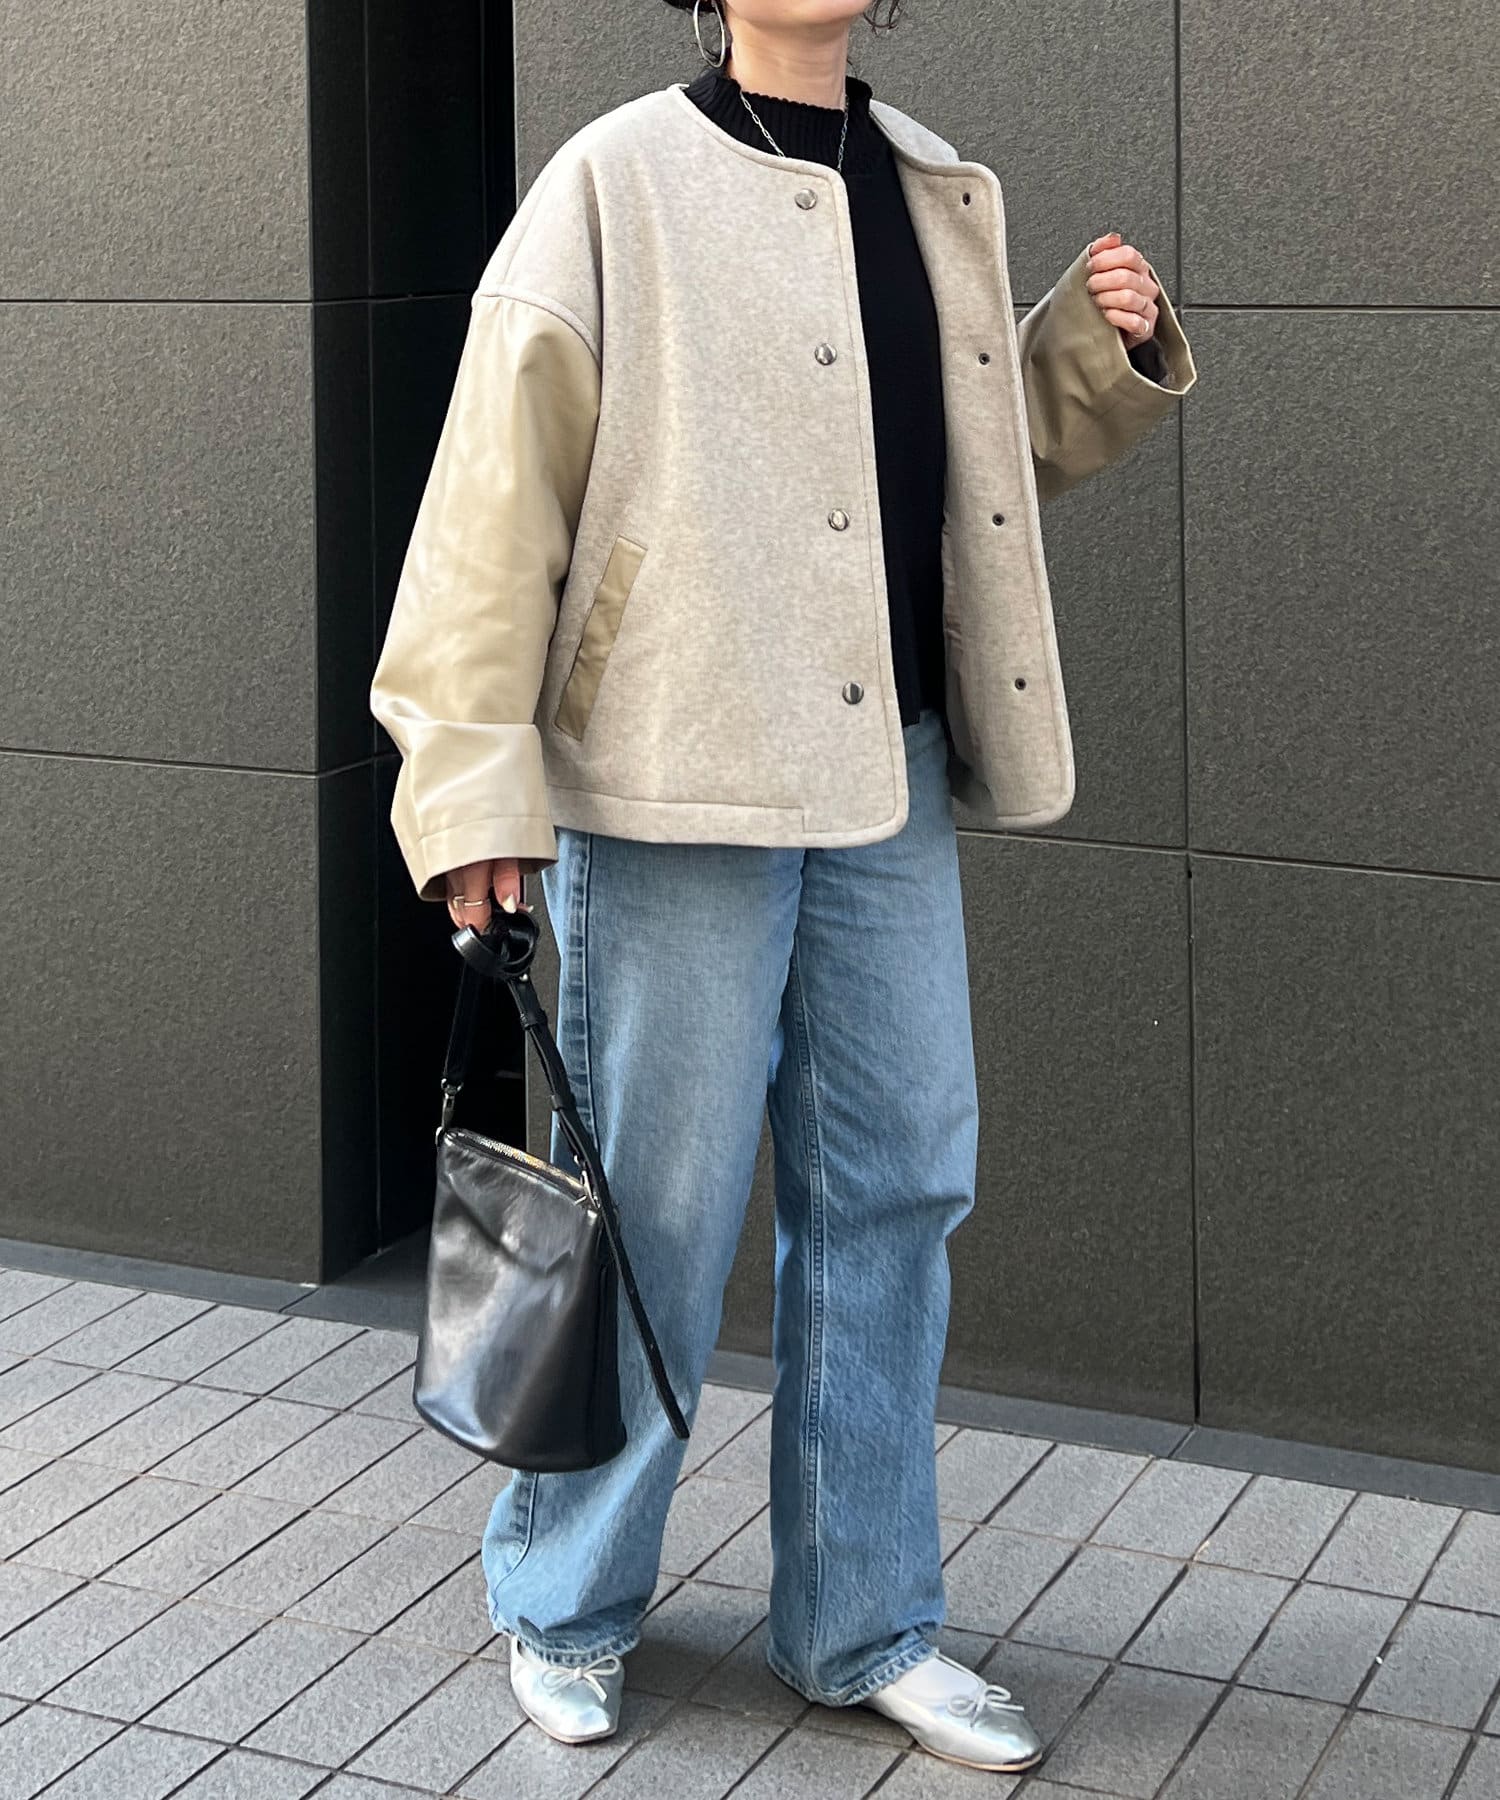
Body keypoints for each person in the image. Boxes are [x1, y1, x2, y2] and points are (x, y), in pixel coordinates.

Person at [369, 0, 1196, 1775]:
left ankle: (865, 1619)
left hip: (883, 772)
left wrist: (1072, 356)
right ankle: (567, 1598)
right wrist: (471, 779)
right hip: (676, 776)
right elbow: (492, 503)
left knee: (899, 1185)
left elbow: (941, 476)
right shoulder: (617, 181)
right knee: (656, 1212)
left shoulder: (925, 183)